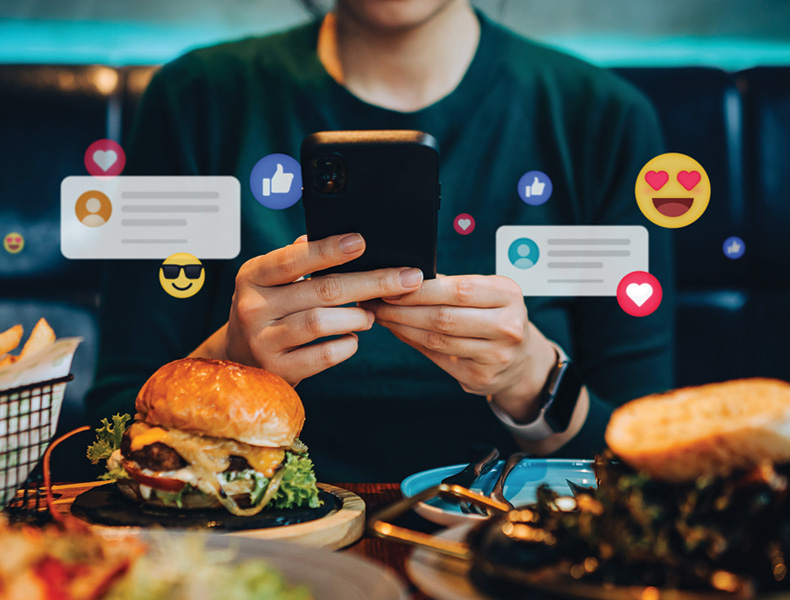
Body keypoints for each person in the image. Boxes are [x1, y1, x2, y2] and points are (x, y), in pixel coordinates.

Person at [86, 0, 674, 482]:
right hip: (253, 545)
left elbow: (644, 450)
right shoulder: (190, 100)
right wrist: (228, 363)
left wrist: (531, 379)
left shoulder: (603, 121)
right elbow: (111, 420)